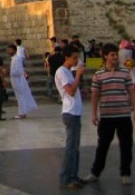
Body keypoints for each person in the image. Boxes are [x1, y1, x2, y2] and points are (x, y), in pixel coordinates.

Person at [83, 43, 135, 186]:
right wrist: (94, 114)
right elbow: (95, 95)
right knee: (102, 146)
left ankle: (126, 173)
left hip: (123, 116)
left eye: (116, 55)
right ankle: (95, 172)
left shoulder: (124, 72)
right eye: (112, 55)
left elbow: (131, 92)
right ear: (105, 56)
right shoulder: (99, 74)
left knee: (126, 146)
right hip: (107, 116)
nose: (115, 57)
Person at [55, 46, 85, 189]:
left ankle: (73, 175)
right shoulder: (62, 72)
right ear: (66, 57)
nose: (76, 60)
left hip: (76, 112)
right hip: (70, 112)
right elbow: (71, 92)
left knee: (75, 147)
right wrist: (78, 75)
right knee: (70, 147)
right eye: (74, 57)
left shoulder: (68, 72)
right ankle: (66, 177)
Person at [8, 44, 37, 119]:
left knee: (20, 97)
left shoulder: (17, 59)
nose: (9, 51)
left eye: (10, 49)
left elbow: (18, 71)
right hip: (16, 81)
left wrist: (9, 72)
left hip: (18, 81)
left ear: (14, 50)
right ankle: (22, 112)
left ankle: (22, 113)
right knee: (20, 97)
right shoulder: (14, 59)